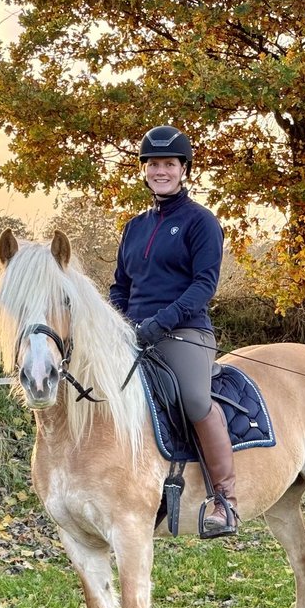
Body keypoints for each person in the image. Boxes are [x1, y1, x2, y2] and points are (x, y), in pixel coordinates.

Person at [109, 125, 238, 536]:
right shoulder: (134, 227)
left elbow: (204, 285)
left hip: (184, 333)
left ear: (184, 169)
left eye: (168, 164)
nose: (160, 171)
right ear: (144, 170)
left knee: (196, 399)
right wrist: (116, 325)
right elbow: (121, 286)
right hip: (134, 335)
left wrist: (160, 322)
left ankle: (224, 500)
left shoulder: (200, 223)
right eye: (153, 164)